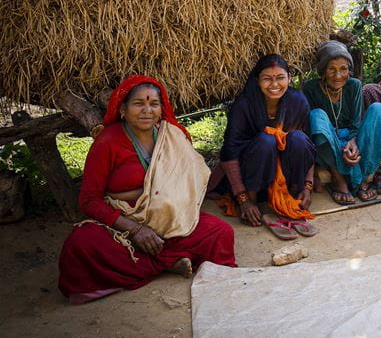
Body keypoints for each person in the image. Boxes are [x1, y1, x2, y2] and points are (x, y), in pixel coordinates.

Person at [58, 76, 236, 303]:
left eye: (154, 104)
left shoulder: (173, 136)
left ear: (163, 108)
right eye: (138, 103)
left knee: (221, 232)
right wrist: (135, 229)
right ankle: (167, 261)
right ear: (123, 109)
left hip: (172, 221)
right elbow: (89, 200)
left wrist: (168, 207)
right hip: (124, 227)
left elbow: (188, 181)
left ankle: (157, 261)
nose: (147, 110)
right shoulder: (107, 144)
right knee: (80, 245)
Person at [219, 55, 318, 235]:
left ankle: (293, 199)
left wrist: (307, 186)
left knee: (298, 138)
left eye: (280, 77)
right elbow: (229, 153)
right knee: (266, 140)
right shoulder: (244, 105)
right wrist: (244, 199)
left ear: (289, 78)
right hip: (252, 178)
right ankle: (255, 204)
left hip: (285, 179)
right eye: (267, 78)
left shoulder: (298, 101)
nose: (274, 84)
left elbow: (309, 146)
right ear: (257, 81)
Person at [303, 41, 381, 205]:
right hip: (328, 142)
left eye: (343, 69)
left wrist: (352, 142)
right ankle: (338, 178)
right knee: (317, 116)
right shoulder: (310, 88)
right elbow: (313, 129)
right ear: (323, 70)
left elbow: (356, 123)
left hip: (352, 138)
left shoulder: (354, 85)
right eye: (331, 69)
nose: (338, 75)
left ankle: (363, 176)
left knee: (377, 109)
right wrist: (341, 146)